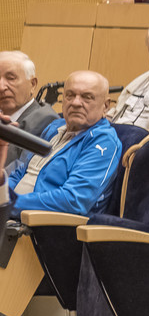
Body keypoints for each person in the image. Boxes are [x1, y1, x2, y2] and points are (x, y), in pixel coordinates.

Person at [4, 71, 120, 216]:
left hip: (46, 225)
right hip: (12, 216)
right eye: (70, 95)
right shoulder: (54, 127)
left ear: (106, 106)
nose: (76, 103)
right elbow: (19, 173)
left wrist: (10, 204)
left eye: (87, 97)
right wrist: (3, 196)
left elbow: (73, 201)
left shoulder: (103, 141)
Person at [0, 53, 56, 170]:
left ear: (33, 84)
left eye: (11, 78)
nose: (1, 87)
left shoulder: (45, 120)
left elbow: (18, 173)